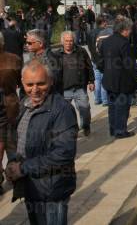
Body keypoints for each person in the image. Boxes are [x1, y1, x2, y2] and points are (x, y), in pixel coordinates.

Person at [5, 59, 78, 225]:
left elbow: (63, 154)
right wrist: (12, 165)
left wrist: (22, 168)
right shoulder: (24, 104)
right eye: (30, 85)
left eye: (41, 83)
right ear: (22, 83)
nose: (35, 90)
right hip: (32, 187)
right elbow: (18, 142)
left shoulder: (62, 110)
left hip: (52, 191)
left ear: (51, 81)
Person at [99, 17, 137, 138]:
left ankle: (113, 129)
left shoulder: (106, 41)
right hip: (122, 82)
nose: (130, 32)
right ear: (125, 30)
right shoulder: (124, 43)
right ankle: (120, 131)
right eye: (129, 29)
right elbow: (129, 64)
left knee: (112, 107)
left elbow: (101, 61)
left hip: (108, 80)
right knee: (122, 107)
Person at [59, 31, 94, 136]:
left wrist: (91, 81)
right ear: (62, 41)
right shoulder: (57, 54)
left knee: (85, 111)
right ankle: (71, 129)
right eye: (66, 41)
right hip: (64, 90)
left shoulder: (81, 51)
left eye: (71, 41)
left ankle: (86, 126)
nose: (69, 43)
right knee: (65, 113)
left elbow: (89, 66)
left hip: (79, 88)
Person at [0, 32, 21, 194]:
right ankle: (14, 177)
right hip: (11, 106)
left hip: (8, 107)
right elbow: (23, 83)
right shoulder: (14, 59)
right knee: (12, 145)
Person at [25, 29, 63, 94]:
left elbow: (53, 83)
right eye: (26, 43)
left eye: (29, 43)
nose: (27, 45)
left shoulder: (50, 59)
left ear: (40, 44)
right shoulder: (34, 56)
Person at [87, 16, 112, 106]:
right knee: (103, 79)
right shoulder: (105, 33)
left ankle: (97, 99)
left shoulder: (90, 32)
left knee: (97, 79)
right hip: (103, 59)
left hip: (94, 58)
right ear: (104, 22)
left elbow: (89, 46)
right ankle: (105, 100)